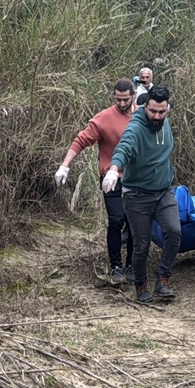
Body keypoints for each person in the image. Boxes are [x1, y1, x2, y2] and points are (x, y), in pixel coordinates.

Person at [103, 86, 181, 303]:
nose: (157, 116)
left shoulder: (164, 123)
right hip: (137, 195)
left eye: (162, 112)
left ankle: (163, 280)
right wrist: (113, 169)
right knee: (141, 244)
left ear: (167, 109)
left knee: (174, 232)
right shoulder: (135, 127)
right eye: (153, 111)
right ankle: (141, 286)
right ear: (145, 106)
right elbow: (124, 147)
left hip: (163, 191)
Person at [55, 80, 138, 283]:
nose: (121, 103)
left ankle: (132, 265)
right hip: (111, 178)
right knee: (116, 220)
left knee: (135, 223)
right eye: (117, 99)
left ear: (133, 95)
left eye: (125, 99)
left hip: (136, 179)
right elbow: (81, 140)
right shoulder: (104, 118)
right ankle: (116, 265)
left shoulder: (142, 116)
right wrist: (65, 165)